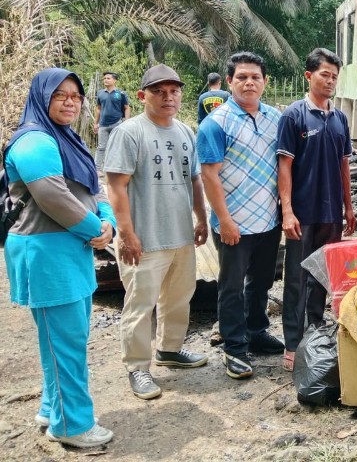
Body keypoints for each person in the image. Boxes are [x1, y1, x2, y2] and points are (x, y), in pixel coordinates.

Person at [3, 68, 115, 447]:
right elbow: (54, 197)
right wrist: (95, 229)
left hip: (68, 250)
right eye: (60, 95)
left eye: (76, 96)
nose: (71, 102)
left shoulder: (67, 138)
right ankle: (72, 425)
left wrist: (109, 221)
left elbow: (94, 186)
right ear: (42, 97)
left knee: (64, 338)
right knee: (66, 342)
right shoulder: (33, 141)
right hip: (46, 252)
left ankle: (53, 408)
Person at [105, 64, 209, 400]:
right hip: (144, 238)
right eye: (159, 92)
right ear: (142, 96)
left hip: (180, 234)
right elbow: (115, 186)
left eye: (174, 91)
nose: (168, 98)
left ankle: (169, 349)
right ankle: (137, 367)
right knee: (140, 304)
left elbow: (195, 180)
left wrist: (201, 218)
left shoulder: (185, 132)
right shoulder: (130, 132)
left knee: (179, 296)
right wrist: (126, 233)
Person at [197, 52, 284, 380]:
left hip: (268, 220)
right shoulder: (215, 123)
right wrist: (225, 220)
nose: (249, 82)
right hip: (233, 223)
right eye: (242, 77)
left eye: (255, 77)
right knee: (231, 286)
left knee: (261, 281)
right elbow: (209, 175)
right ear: (230, 81)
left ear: (265, 82)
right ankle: (234, 347)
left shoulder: (275, 118)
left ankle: (256, 331)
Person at [277, 48, 356, 372]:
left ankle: (314, 334)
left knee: (322, 277)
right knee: (296, 279)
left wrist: (348, 207)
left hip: (331, 213)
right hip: (302, 213)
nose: (330, 81)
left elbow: (344, 165)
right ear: (309, 76)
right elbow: (284, 166)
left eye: (334, 76)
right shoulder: (293, 116)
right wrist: (287, 211)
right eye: (325, 74)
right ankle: (292, 343)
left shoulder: (340, 119)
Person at [94, 71, 130, 175]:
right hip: (103, 124)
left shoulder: (120, 94)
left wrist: (126, 123)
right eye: (104, 78)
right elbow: (98, 109)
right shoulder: (100, 93)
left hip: (117, 123)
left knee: (116, 146)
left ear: (114, 80)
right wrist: (96, 123)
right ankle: (97, 169)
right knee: (101, 147)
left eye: (108, 78)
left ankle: (115, 169)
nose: (105, 80)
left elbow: (127, 108)